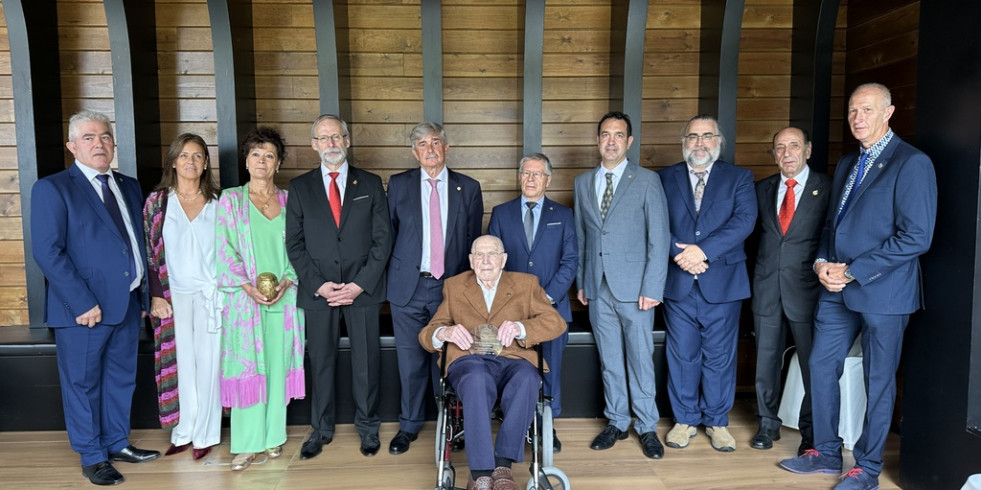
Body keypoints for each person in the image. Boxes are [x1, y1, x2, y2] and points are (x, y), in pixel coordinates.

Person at [779, 83, 937, 490]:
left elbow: (916, 237)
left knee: (878, 380)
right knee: (818, 365)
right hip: (835, 290)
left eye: (867, 109)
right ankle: (826, 451)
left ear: (889, 113)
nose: (857, 118)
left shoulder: (911, 163)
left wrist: (852, 270)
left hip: (884, 293)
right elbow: (832, 226)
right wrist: (820, 263)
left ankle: (866, 469)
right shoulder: (850, 162)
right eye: (852, 110)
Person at [31, 110, 160, 486]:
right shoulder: (53, 188)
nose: (99, 143)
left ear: (113, 143)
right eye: (88, 137)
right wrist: (82, 301)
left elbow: (136, 244)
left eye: (105, 136)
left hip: (127, 303)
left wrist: (143, 295)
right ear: (72, 146)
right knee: (83, 384)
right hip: (84, 310)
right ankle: (92, 456)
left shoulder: (129, 184)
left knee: (120, 378)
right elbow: (48, 252)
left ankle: (117, 442)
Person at [419, 235, 565, 490]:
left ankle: (502, 466)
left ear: (503, 259)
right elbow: (428, 332)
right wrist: (445, 333)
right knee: (476, 379)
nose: (486, 261)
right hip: (470, 360)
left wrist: (522, 327)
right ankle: (481, 473)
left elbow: (556, 323)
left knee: (528, 379)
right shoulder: (454, 286)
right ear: (471, 260)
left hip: (513, 358)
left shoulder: (526, 284)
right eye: (479, 255)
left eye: (492, 254)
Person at [286, 114, 392, 459]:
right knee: (321, 362)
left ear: (347, 140)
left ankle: (368, 428)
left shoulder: (371, 183)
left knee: (367, 362)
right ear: (314, 145)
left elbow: (382, 240)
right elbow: (295, 245)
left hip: (363, 291)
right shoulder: (300, 188)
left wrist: (360, 284)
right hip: (320, 293)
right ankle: (321, 429)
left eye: (337, 137)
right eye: (323, 138)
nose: (331, 144)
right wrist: (319, 285)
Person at [573, 111, 669, 459]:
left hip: (636, 289)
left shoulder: (646, 180)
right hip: (598, 288)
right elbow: (584, 237)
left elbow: (659, 237)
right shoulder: (583, 183)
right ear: (598, 140)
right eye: (605, 134)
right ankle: (617, 419)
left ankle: (646, 425)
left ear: (629, 142)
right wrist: (583, 281)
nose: (611, 141)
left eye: (618, 135)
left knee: (640, 359)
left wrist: (653, 287)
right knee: (610, 360)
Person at [658, 114, 757, 453]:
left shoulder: (739, 177)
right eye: (693, 136)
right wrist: (679, 254)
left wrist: (703, 251)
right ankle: (684, 420)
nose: (699, 143)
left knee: (719, 356)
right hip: (678, 280)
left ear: (719, 141)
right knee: (682, 354)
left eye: (707, 136)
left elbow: (744, 221)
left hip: (724, 281)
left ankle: (716, 421)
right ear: (683, 142)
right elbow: (654, 222)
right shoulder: (664, 178)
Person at [386, 122, 483, 455]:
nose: (430, 149)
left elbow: (471, 242)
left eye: (436, 142)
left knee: (452, 359)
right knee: (410, 361)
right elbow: (391, 234)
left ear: (447, 148)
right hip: (408, 288)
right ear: (414, 152)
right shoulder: (398, 186)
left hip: (451, 289)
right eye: (422, 144)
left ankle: (454, 425)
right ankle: (409, 426)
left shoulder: (468, 188)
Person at [215, 127, 306, 471]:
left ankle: (272, 438)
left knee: (278, 367)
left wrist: (286, 280)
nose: (262, 161)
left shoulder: (288, 201)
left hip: (284, 298)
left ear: (279, 163)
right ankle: (247, 443)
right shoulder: (231, 199)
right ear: (246, 160)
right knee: (249, 370)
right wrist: (246, 285)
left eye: (269, 155)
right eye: (256, 154)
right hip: (245, 301)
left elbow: (300, 247)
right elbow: (223, 249)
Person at [488, 152, 577, 452]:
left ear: (548, 180)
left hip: (551, 310)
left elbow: (570, 262)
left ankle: (548, 425)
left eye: (537, 174)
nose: (530, 178)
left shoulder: (564, 216)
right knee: (514, 369)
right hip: (509, 314)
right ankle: (516, 425)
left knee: (549, 370)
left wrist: (544, 298)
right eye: (526, 173)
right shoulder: (501, 213)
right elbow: (492, 262)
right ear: (519, 177)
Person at [750, 127, 830, 454]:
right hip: (767, 288)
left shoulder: (827, 188)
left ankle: (810, 432)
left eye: (794, 146)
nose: (787, 153)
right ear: (774, 154)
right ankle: (767, 424)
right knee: (766, 360)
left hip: (808, 291)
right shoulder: (762, 189)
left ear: (808, 150)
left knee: (813, 364)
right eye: (780, 147)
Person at [144, 133, 223, 461]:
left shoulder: (221, 201)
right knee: (181, 365)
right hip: (172, 296)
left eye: (198, 156)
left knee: (209, 364)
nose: (191, 162)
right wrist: (156, 295)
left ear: (205, 163)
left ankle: (206, 433)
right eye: (184, 155)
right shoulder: (158, 201)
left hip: (211, 294)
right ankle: (184, 431)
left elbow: (233, 250)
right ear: (173, 160)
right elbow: (147, 252)